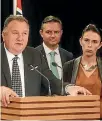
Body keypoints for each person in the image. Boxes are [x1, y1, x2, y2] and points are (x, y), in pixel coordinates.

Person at [1, 15, 90, 107]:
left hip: (30, 114)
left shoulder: (35, 55)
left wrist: (69, 88)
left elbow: (51, 81)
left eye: (24, 33)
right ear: (4, 35)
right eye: (15, 33)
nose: (20, 38)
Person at [63, 24, 102, 118]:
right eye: (86, 40)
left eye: (94, 42)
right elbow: (62, 91)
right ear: (81, 41)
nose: (89, 45)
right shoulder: (69, 66)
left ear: (100, 45)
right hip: (74, 117)